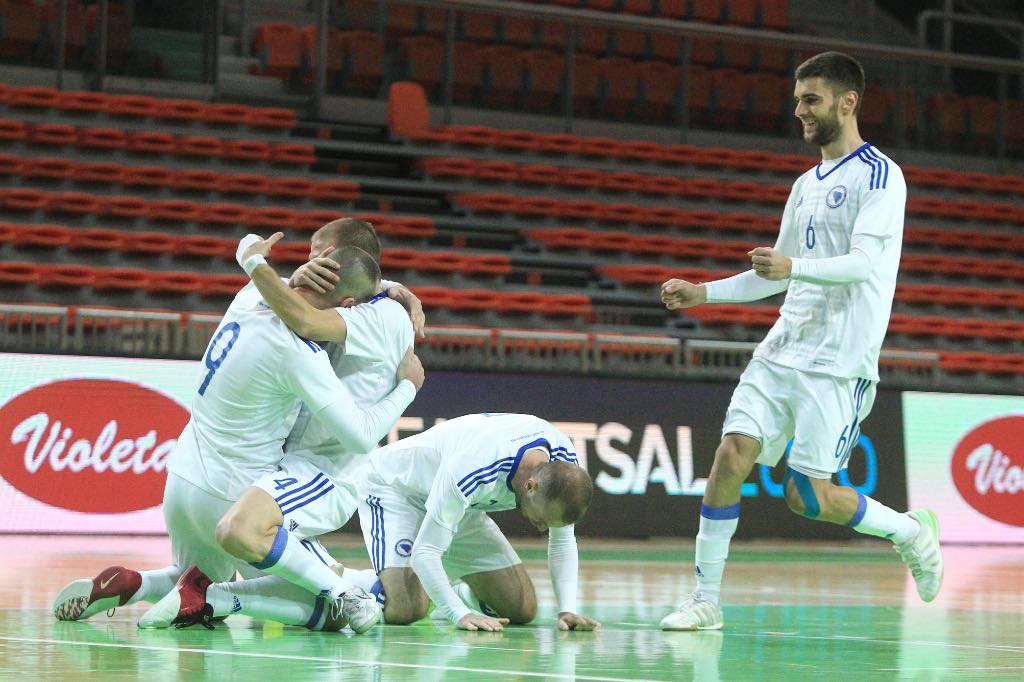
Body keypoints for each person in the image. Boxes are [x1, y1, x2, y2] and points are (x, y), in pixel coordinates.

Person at [658, 51, 942, 631]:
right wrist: (703, 294)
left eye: (811, 99)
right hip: (783, 348)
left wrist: (793, 268)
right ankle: (705, 600)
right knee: (730, 457)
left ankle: (912, 532)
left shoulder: (881, 176)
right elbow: (773, 274)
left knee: (807, 498)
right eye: (797, 99)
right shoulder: (805, 183)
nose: (799, 110)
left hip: (838, 361)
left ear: (848, 101)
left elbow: (862, 264)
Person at [53, 236, 424, 634]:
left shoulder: (248, 294)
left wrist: (258, 261)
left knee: (196, 574)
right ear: (348, 305)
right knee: (320, 604)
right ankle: (334, 594)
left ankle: (136, 583)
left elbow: (252, 249)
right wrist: (408, 386)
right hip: (236, 493)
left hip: (181, 481)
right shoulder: (301, 353)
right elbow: (360, 435)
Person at [361, 413, 600, 632]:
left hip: (458, 504)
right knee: (406, 608)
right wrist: (460, 614)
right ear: (530, 485)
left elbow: (563, 541)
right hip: (399, 491)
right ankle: (340, 586)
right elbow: (425, 552)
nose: (541, 527)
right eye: (543, 519)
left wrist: (567, 610)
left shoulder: (564, 468)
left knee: (520, 608)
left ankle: (451, 590)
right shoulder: (474, 465)